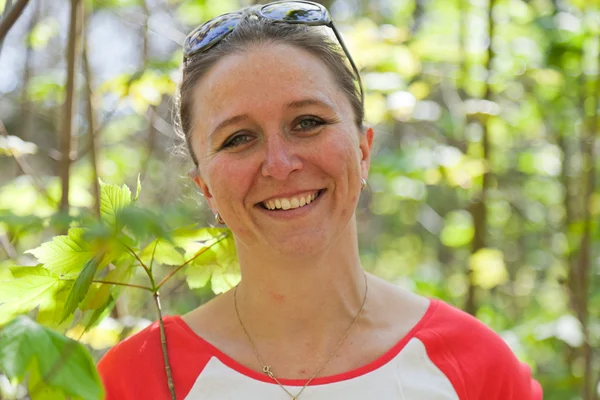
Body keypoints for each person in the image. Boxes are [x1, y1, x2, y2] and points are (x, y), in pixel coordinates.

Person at [97, 1, 543, 399]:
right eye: (238, 138)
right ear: (206, 188)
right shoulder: (137, 377)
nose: (280, 163)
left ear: (364, 150)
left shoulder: (475, 366)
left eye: (307, 122)